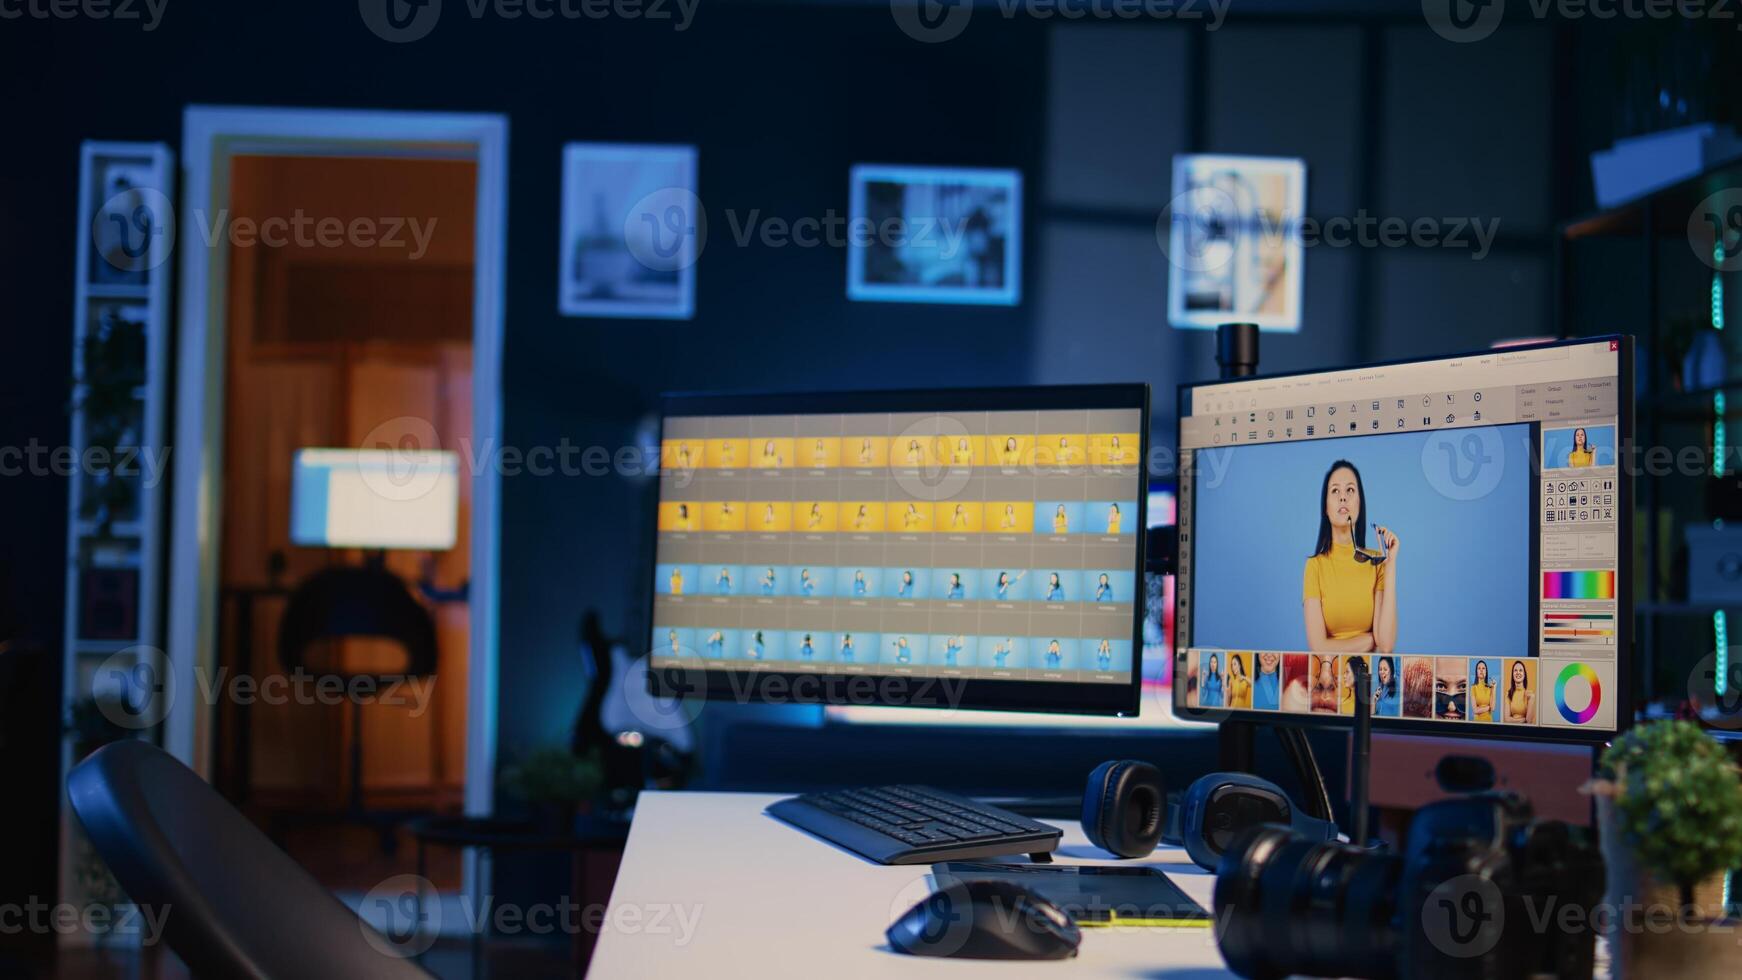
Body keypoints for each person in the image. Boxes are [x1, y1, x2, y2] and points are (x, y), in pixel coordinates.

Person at [1303, 460, 1400, 654]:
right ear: (1325, 507)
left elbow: (1386, 644)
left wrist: (1390, 566)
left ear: (1359, 503)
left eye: (1350, 490)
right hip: (1329, 677)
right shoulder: (1315, 566)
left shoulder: (1377, 561)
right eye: (1335, 491)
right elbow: (1318, 647)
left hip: (1368, 678)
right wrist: (1367, 641)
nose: (1343, 498)